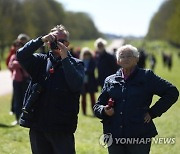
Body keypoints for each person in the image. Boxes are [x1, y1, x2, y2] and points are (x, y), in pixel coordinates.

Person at [93, 44, 179, 154]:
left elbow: (172, 92)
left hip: (139, 134)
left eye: (129, 55)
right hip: (114, 135)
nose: (125, 58)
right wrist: (104, 110)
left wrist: (153, 112)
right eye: (122, 56)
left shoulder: (147, 76)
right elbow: (97, 106)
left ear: (137, 58)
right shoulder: (110, 80)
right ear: (118, 61)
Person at [17, 25, 84, 154]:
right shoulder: (40, 61)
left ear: (67, 43)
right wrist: (40, 40)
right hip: (38, 124)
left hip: (61, 126)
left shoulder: (76, 63)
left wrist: (65, 58)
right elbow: (21, 55)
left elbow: (75, 84)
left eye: (61, 40)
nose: (56, 43)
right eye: (53, 40)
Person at [8, 40, 30, 125]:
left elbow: (27, 66)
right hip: (16, 80)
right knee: (17, 100)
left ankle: (24, 118)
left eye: (20, 45)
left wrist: (17, 63)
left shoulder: (26, 56)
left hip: (26, 80)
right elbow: (10, 66)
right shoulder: (13, 56)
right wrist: (18, 63)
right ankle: (17, 119)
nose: (18, 47)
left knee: (25, 99)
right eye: (16, 45)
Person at [80, 47, 97, 116]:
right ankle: (84, 112)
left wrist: (85, 70)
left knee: (92, 98)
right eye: (85, 54)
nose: (86, 55)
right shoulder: (80, 61)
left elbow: (92, 70)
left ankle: (94, 112)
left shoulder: (92, 61)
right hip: (83, 83)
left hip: (91, 82)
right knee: (83, 98)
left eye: (88, 54)